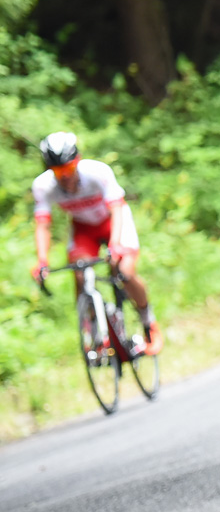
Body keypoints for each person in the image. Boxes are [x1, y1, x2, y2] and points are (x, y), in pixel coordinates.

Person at [30, 132, 163, 356]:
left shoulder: (97, 172)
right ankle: (94, 332)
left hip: (113, 222)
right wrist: (42, 261)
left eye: (69, 169)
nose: (64, 177)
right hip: (84, 228)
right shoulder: (42, 186)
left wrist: (115, 245)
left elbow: (117, 209)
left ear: (78, 161)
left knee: (123, 271)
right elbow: (43, 225)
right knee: (80, 274)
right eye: (57, 172)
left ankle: (148, 322)